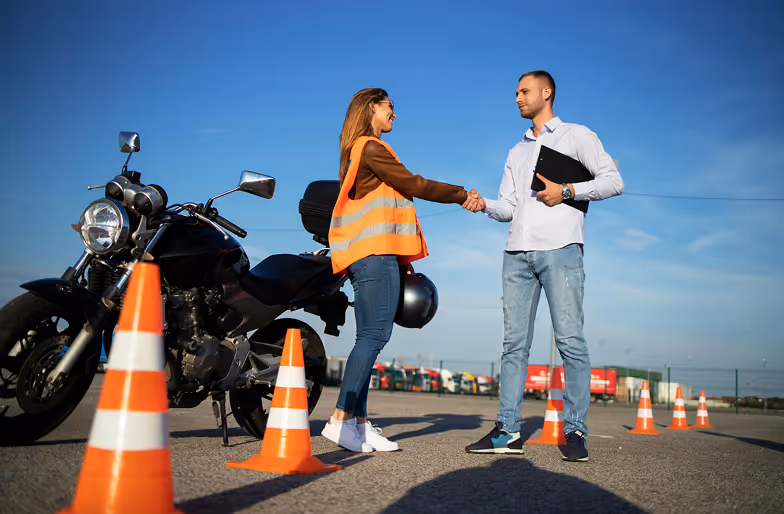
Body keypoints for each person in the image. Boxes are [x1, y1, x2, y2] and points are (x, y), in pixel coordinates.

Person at [463, 71, 624, 461]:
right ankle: (508, 430)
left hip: (561, 251)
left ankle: (575, 431)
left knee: (570, 342)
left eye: (525, 91)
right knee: (513, 345)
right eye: (516, 92)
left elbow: (613, 181)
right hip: (516, 254)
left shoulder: (576, 135)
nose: (518, 98)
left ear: (546, 92)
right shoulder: (515, 152)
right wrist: (484, 205)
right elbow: (509, 207)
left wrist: (566, 191)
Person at [323, 87, 474, 452]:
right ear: (371, 108)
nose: (394, 113)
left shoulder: (358, 150)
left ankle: (358, 425)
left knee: (368, 338)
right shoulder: (372, 148)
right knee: (374, 337)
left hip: (366, 255)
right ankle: (341, 419)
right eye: (389, 106)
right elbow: (414, 184)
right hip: (374, 255)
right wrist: (461, 194)